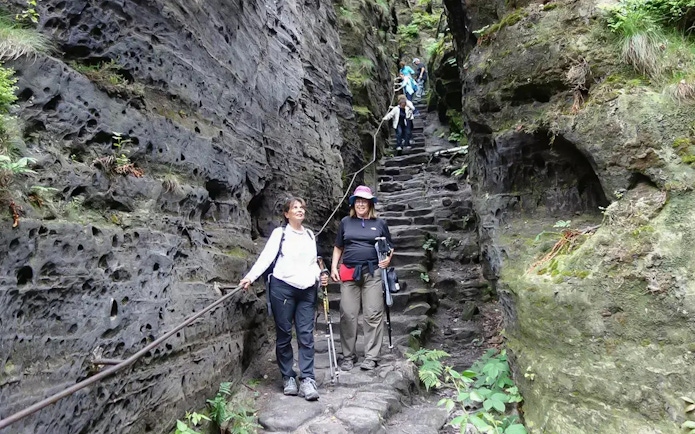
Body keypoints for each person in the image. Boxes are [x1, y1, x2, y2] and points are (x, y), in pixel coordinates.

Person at [240, 197, 328, 401]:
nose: (299, 210)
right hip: (283, 289)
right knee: (284, 333)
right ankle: (288, 376)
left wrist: (320, 275)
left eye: (301, 208)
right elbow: (267, 257)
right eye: (294, 208)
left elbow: (312, 263)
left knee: (306, 334)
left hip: (306, 290)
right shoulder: (280, 234)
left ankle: (307, 379)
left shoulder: (309, 235)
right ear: (286, 214)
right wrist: (251, 277)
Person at [330, 186, 394, 371]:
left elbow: (390, 246)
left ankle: (372, 356)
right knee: (348, 314)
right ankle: (348, 356)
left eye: (364, 201)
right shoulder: (345, 222)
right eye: (358, 200)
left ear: (370, 203)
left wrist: (387, 260)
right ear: (353, 203)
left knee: (373, 313)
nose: (360, 203)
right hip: (349, 272)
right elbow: (338, 246)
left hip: (372, 272)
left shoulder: (379, 223)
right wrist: (334, 267)